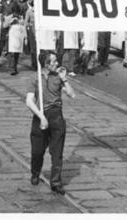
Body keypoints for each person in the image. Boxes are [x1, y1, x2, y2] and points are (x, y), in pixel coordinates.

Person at [25, 51, 75, 195]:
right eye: (53, 61)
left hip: (56, 116)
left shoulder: (58, 77)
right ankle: (35, 173)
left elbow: (72, 95)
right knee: (37, 151)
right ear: (46, 64)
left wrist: (64, 79)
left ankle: (56, 182)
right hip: (40, 115)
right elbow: (29, 101)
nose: (57, 63)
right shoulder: (36, 78)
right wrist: (41, 117)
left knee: (57, 152)